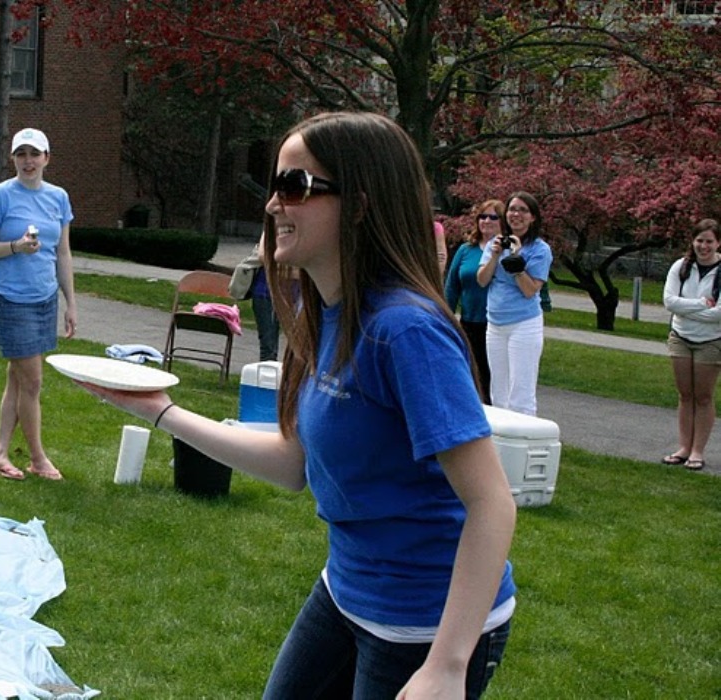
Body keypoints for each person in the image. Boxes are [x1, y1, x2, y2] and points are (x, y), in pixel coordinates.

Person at [78, 112, 517, 699]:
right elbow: (294, 463)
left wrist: (446, 665)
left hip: (425, 622)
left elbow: (491, 503)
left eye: (295, 186)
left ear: (360, 205)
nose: (272, 206)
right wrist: (160, 410)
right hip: (347, 590)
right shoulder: (324, 313)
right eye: (274, 186)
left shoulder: (406, 331)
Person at [0, 127, 77, 481]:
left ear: (47, 158)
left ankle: (1, 454)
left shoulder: (58, 197)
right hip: (10, 299)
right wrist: (15, 246)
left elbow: (62, 252)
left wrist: (70, 303)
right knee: (32, 382)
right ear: (13, 158)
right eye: (22, 154)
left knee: (17, 381)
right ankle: (38, 458)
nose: (28, 161)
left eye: (35, 154)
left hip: (43, 299)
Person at [476, 192, 552, 416]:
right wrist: (495, 254)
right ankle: (500, 445)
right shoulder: (494, 243)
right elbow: (482, 280)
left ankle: (524, 442)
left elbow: (530, 291)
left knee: (521, 394)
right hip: (495, 324)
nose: (516, 214)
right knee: (498, 392)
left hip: (524, 324)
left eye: (523, 210)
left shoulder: (539, 249)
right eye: (512, 209)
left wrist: (517, 261)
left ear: (533, 218)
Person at [661, 218, 721, 471]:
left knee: (703, 396)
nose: (703, 246)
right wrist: (700, 304)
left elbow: (719, 314)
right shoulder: (681, 267)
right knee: (685, 394)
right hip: (680, 336)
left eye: (709, 241)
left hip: (711, 340)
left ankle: (698, 451)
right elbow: (670, 302)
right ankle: (684, 447)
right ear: (692, 241)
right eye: (699, 240)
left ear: (718, 243)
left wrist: (688, 309)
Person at [445, 200, 504, 404]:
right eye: (482, 216)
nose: (486, 221)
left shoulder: (508, 249)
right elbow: (452, 286)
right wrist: (446, 317)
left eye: (493, 217)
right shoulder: (466, 250)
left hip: (496, 324)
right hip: (469, 322)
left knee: (493, 378)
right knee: (469, 376)